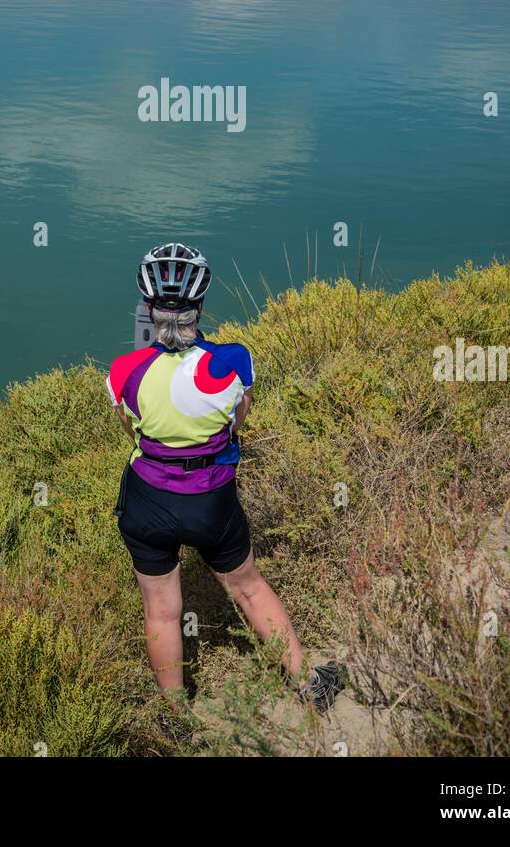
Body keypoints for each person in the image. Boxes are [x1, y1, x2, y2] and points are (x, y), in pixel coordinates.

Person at [108, 241, 342, 713]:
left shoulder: (123, 370)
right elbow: (237, 422)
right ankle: (310, 685)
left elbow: (133, 433)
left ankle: (175, 716)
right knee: (248, 586)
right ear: (199, 305)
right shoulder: (233, 360)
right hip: (211, 499)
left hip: (147, 500)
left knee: (160, 609)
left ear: (149, 308)